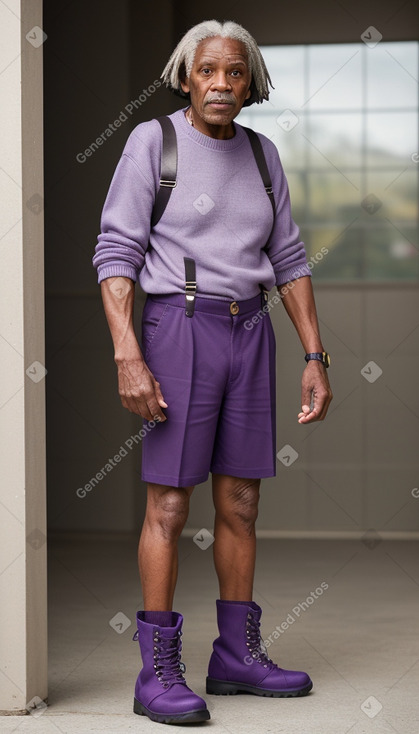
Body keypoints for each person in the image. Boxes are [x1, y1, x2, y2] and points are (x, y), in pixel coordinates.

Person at [93, 19, 332, 726]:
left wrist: (315, 356)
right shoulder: (154, 144)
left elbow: (287, 260)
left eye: (234, 73)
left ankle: (235, 655)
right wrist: (127, 353)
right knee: (169, 504)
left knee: (241, 503)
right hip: (178, 329)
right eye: (207, 72)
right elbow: (116, 252)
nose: (221, 84)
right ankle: (155, 672)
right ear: (185, 77)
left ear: (249, 82)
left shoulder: (262, 156)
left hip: (249, 331)